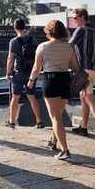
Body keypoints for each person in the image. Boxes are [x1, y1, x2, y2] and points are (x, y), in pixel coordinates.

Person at [27, 20, 80, 161]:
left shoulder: (42, 47)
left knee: (55, 117)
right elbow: (75, 67)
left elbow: (36, 68)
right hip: (65, 80)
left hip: (50, 80)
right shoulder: (69, 47)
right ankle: (54, 141)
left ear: (48, 31)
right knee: (59, 115)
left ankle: (65, 150)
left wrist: (31, 80)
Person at [68, 8, 95, 141]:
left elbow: (69, 46)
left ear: (82, 17)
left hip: (84, 71)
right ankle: (83, 127)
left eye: (75, 18)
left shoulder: (81, 30)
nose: (73, 21)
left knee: (89, 99)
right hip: (94, 69)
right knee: (85, 99)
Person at [5, 19, 44, 129]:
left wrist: (8, 72)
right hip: (31, 73)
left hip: (18, 73)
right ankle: (39, 121)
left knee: (15, 97)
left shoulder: (14, 41)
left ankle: (12, 122)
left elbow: (10, 58)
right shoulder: (33, 39)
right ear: (24, 27)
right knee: (32, 97)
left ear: (15, 28)